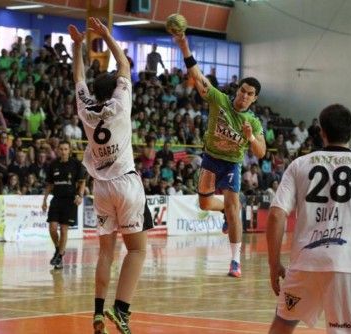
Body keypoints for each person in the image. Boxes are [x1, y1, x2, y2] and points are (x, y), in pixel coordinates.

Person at [266, 104, 351, 334]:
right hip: (347, 267)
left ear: (321, 132)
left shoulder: (300, 164)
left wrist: (273, 263)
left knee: (282, 326)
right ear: (350, 131)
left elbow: (276, 214)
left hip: (304, 264)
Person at [69, 18, 153, 334]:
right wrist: (107, 36)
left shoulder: (86, 110)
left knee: (105, 252)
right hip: (126, 183)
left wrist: (77, 47)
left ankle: (97, 312)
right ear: (113, 89)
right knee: (137, 249)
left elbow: (78, 76)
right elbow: (124, 65)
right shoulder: (120, 104)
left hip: (101, 187)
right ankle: (122, 311)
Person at [173, 32, 266, 278]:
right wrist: (184, 46)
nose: (244, 96)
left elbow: (261, 152)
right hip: (210, 158)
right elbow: (197, 75)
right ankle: (225, 209)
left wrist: (251, 138)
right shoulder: (219, 100)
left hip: (232, 165)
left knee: (234, 207)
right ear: (238, 90)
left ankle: (235, 261)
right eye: (242, 91)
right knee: (204, 204)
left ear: (254, 99)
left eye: (250, 94)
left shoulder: (253, 123)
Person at [42, 141, 86, 270]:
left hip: (70, 200)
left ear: (69, 150)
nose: (63, 151)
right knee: (52, 228)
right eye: (61, 149)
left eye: (66, 149)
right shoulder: (53, 165)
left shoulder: (76, 164)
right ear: (57, 150)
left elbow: (82, 182)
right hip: (56, 199)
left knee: (64, 229)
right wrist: (44, 200)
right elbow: (49, 184)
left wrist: (80, 195)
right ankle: (58, 248)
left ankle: (60, 256)